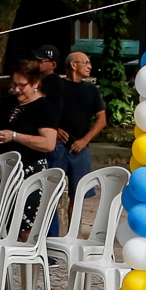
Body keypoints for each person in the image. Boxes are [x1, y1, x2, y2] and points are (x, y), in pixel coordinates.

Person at [51, 50, 108, 228]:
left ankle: (73, 233)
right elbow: (42, 111)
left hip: (80, 149)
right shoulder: (56, 86)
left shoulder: (91, 90)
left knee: (79, 194)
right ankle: (47, 233)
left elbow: (102, 119)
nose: (90, 66)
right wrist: (54, 129)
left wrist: (85, 140)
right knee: (51, 191)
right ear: (73, 65)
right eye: (86, 63)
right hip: (57, 146)